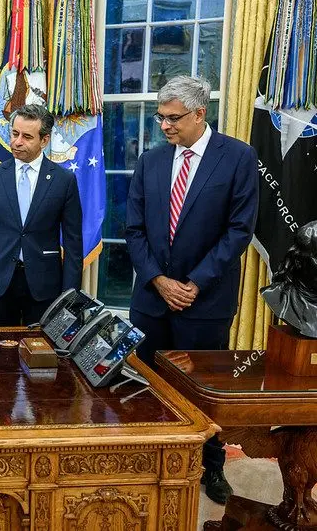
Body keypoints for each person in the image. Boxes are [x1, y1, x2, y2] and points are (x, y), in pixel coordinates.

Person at [124, 75, 259, 505]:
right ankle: (149, 465)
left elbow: (239, 231)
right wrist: (159, 281)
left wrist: (194, 283)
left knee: (201, 393)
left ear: (200, 114)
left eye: (173, 118)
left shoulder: (238, 157)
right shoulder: (151, 161)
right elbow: (134, 229)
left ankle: (209, 468)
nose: (164, 125)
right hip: (151, 300)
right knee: (146, 388)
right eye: (160, 117)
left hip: (205, 302)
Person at [0, 104, 83, 326]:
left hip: (44, 284)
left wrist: (70, 294)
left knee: (40, 352)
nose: (17, 142)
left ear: (44, 140)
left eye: (27, 137)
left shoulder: (64, 181)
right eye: (14, 133)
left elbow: (73, 244)